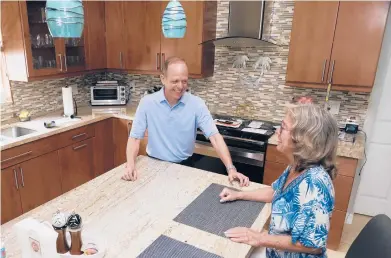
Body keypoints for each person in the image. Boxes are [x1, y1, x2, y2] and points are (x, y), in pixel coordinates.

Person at [220, 104, 339, 258]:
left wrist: (260, 238)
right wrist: (239, 194)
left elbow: (313, 245)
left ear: (303, 139)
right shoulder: (296, 166)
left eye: (283, 128)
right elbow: (276, 191)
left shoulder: (315, 183)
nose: (277, 132)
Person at [122, 57, 249, 187]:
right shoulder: (147, 103)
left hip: (185, 166)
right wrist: (130, 165)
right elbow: (135, 138)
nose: (180, 86)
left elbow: (215, 137)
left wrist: (231, 169)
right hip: (153, 164)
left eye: (184, 81)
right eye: (175, 81)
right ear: (163, 79)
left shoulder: (196, 104)